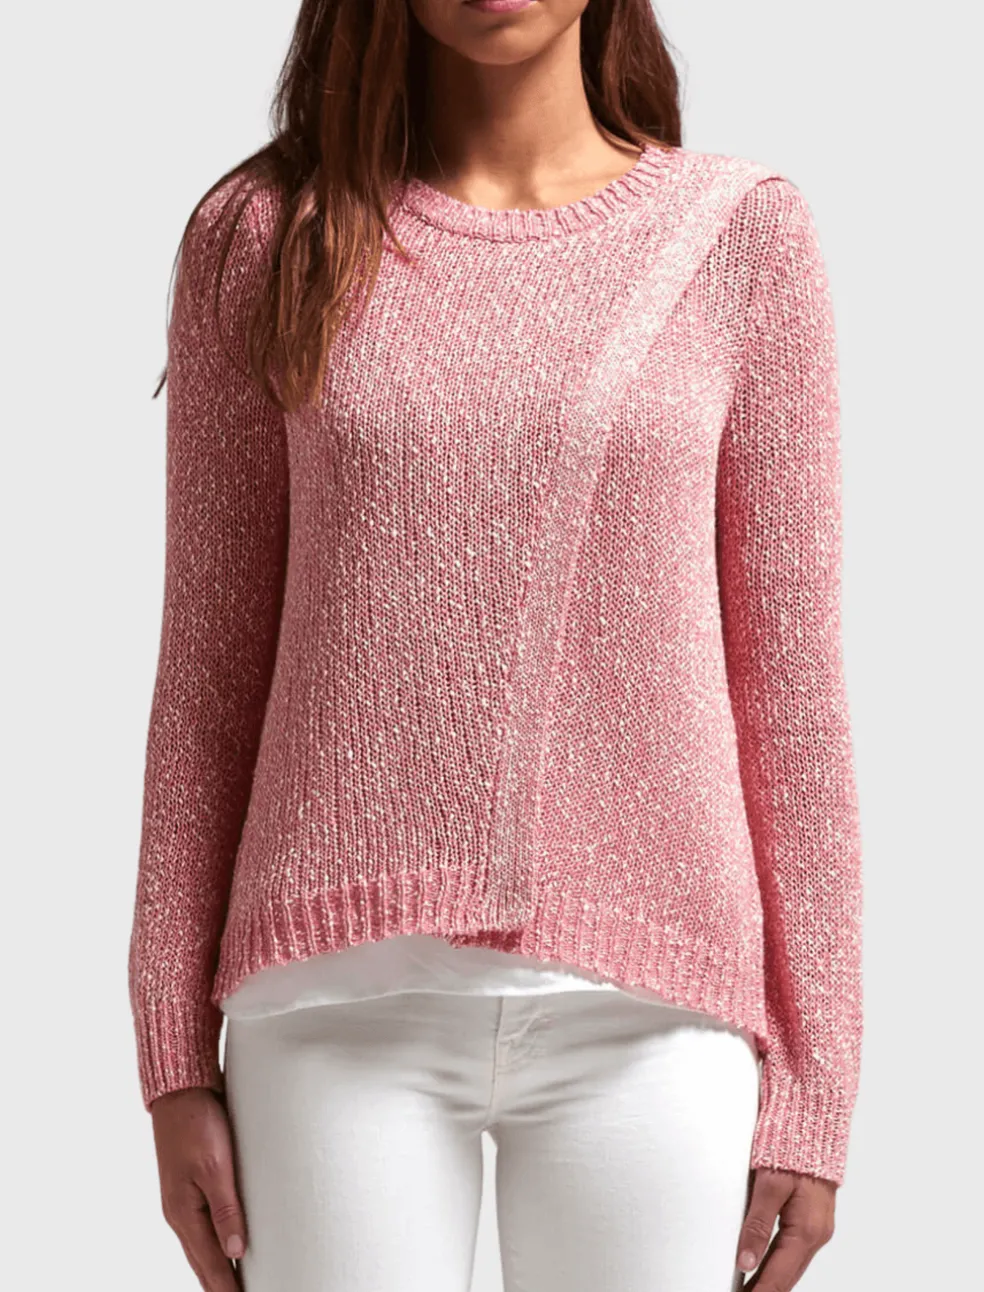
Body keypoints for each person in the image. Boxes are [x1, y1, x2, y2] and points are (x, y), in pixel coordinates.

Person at [127, 1, 865, 1289]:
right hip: (331, 1010)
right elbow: (207, 670)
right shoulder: (264, 236)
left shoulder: (739, 237)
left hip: (656, 1020)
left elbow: (792, 695)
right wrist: (173, 1054)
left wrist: (817, 1082)